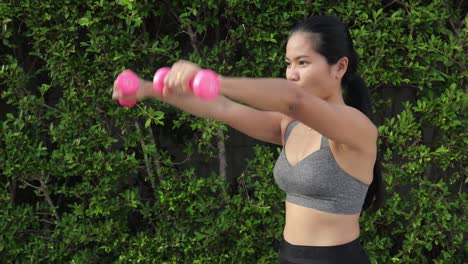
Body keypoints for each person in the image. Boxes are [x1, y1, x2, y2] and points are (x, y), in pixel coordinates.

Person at [113, 14, 384, 264]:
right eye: (288, 64)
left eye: (303, 62)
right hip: (288, 256)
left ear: (339, 67)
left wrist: (214, 80)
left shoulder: (357, 127)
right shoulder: (290, 125)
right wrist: (148, 89)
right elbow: (225, 109)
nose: (292, 74)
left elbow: (293, 100)